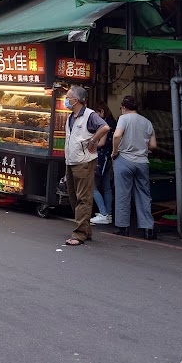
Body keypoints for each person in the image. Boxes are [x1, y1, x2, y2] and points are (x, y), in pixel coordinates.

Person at [63, 85, 110, 246]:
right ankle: (86, 229)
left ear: (76, 100)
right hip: (71, 161)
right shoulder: (72, 116)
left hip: (84, 161)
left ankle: (79, 234)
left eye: (68, 97)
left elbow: (105, 127)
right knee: (73, 197)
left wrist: (93, 140)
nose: (66, 99)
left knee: (83, 198)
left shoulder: (89, 115)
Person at [112, 95, 157, 239]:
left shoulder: (123, 119)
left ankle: (123, 227)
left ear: (124, 107)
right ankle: (148, 228)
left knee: (123, 194)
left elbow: (116, 136)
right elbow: (153, 145)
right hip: (142, 162)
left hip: (124, 159)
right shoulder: (147, 122)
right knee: (144, 195)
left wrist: (114, 152)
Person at [90, 102, 116, 226]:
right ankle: (108, 214)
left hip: (101, 158)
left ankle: (103, 213)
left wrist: (89, 143)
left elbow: (101, 143)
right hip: (108, 157)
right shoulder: (113, 123)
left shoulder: (103, 125)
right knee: (106, 187)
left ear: (101, 111)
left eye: (96, 113)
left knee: (92, 186)